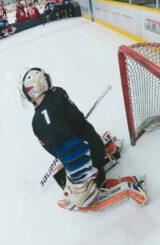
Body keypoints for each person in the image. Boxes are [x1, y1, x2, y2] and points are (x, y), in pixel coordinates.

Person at [20, 67, 147, 211]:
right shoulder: (58, 93)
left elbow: (70, 148)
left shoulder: (40, 122)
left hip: (88, 158)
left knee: (80, 199)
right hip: (94, 143)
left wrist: (80, 182)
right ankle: (106, 150)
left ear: (31, 91)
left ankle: (101, 185)